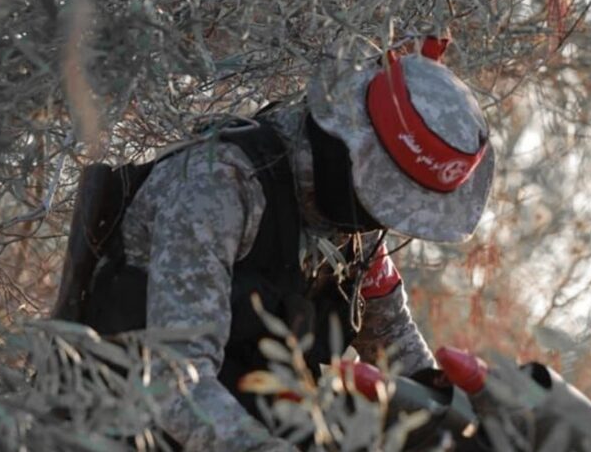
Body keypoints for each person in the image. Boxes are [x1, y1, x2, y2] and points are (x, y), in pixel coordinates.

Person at [80, 36, 494, 451]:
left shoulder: (349, 221)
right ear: (349, 150)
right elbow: (175, 384)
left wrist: (452, 412)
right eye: (388, 196)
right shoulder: (218, 187)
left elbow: (390, 335)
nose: (384, 216)